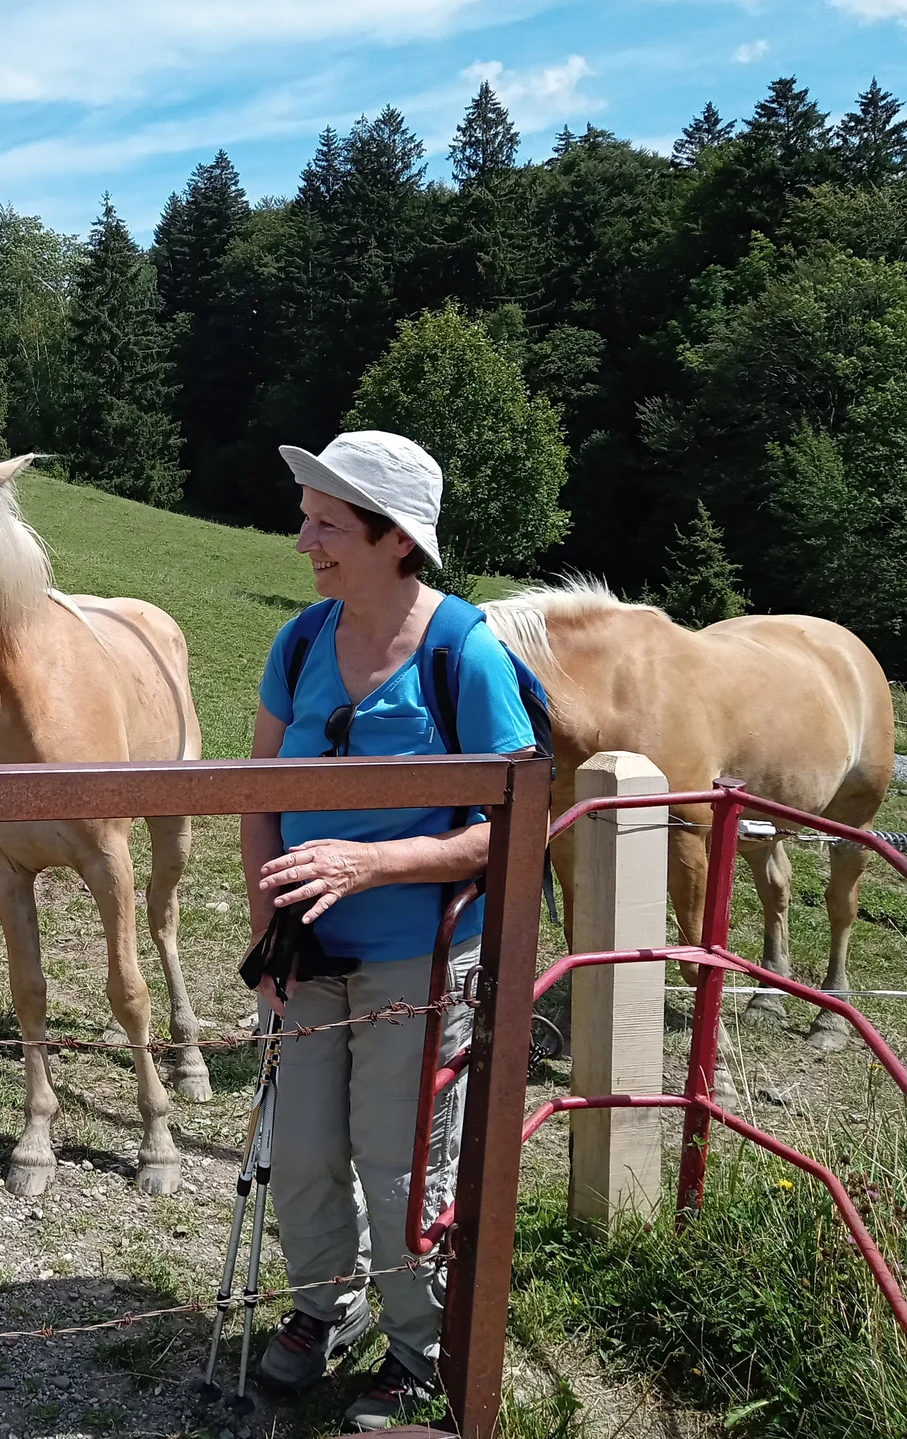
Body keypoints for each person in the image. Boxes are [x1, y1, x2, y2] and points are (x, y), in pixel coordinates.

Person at [242, 432, 535, 1430]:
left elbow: (509, 826)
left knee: (400, 1160)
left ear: (396, 538)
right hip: (307, 953)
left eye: (328, 524)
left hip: (421, 956)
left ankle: (419, 1350)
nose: (304, 542)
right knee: (304, 1149)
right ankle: (324, 1306)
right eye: (307, 518)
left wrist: (370, 864)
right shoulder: (298, 643)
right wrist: (267, 934)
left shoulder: (464, 653)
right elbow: (256, 796)